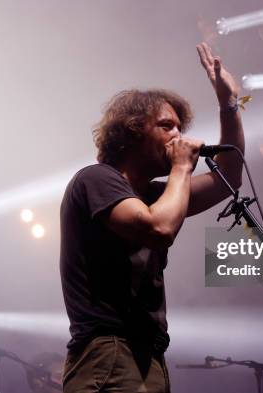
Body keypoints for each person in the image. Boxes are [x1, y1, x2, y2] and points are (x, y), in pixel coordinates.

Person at [59, 42, 245, 393]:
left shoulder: (157, 195)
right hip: (109, 352)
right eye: (166, 126)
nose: (178, 135)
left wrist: (228, 105)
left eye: (179, 126)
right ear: (132, 132)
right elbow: (158, 228)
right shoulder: (95, 180)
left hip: (148, 355)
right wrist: (180, 167)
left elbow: (229, 179)